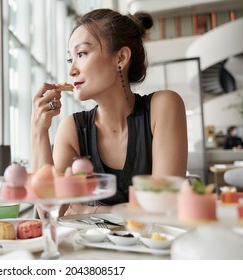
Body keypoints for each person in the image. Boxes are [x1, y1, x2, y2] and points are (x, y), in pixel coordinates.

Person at [30, 9, 188, 216]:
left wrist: (90, 211)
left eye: (82, 54)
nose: (72, 70)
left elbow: (164, 208)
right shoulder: (73, 129)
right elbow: (48, 211)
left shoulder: (164, 106)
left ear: (121, 58)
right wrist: (38, 131)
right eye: (71, 59)